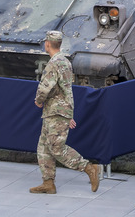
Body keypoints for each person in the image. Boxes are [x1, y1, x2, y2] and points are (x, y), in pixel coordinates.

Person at [30, 31, 100, 194]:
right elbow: (66, 90)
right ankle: (48, 183)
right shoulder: (65, 62)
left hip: (55, 110)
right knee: (43, 148)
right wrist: (68, 113)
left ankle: (88, 168)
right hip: (57, 111)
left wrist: (38, 101)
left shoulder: (54, 63)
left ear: (48, 44)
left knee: (56, 148)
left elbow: (45, 87)